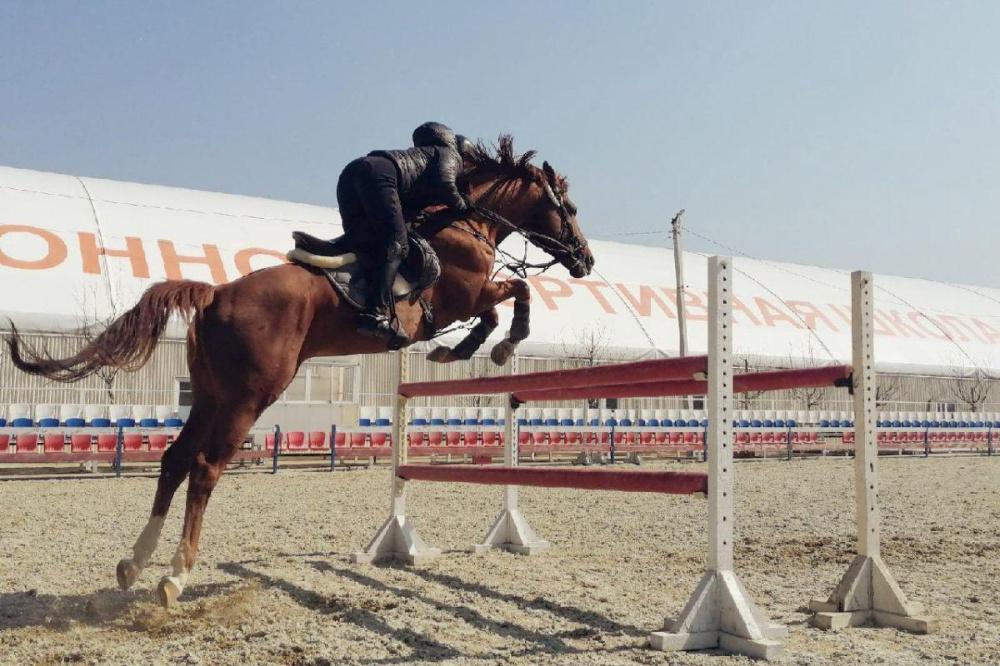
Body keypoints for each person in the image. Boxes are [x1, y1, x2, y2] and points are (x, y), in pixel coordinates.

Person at [336, 122, 474, 346]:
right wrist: (463, 206)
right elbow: (446, 184)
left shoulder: (421, 160)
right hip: (380, 175)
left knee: (364, 239)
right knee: (397, 245)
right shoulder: (449, 154)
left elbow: (406, 211)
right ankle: (375, 314)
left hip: (353, 172)